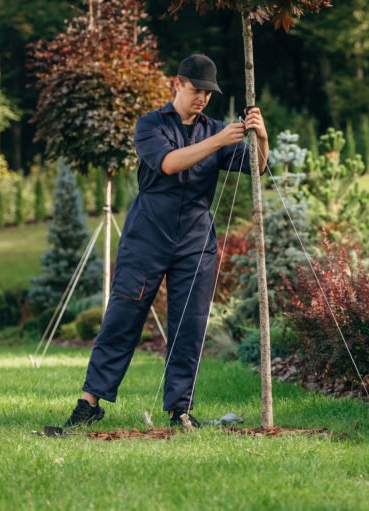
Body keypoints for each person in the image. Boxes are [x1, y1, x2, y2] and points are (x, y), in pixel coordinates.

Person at [63, 54, 269, 428]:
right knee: (123, 318)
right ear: (177, 83)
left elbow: (256, 165)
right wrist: (220, 140)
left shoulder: (215, 128)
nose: (203, 98)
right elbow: (171, 163)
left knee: (188, 326)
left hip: (196, 240)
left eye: (209, 93)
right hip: (147, 237)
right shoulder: (150, 125)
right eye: (196, 90)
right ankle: (88, 403)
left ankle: (180, 411)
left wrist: (262, 135)